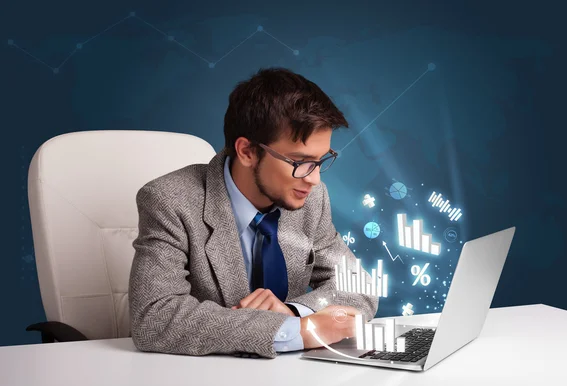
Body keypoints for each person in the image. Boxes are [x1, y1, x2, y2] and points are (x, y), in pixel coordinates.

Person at [129, 67, 379, 359]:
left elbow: (357, 286)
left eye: (321, 160)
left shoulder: (311, 198)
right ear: (247, 151)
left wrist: (295, 312)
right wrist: (298, 331)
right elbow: (154, 317)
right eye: (300, 162)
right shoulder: (169, 201)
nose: (313, 178)